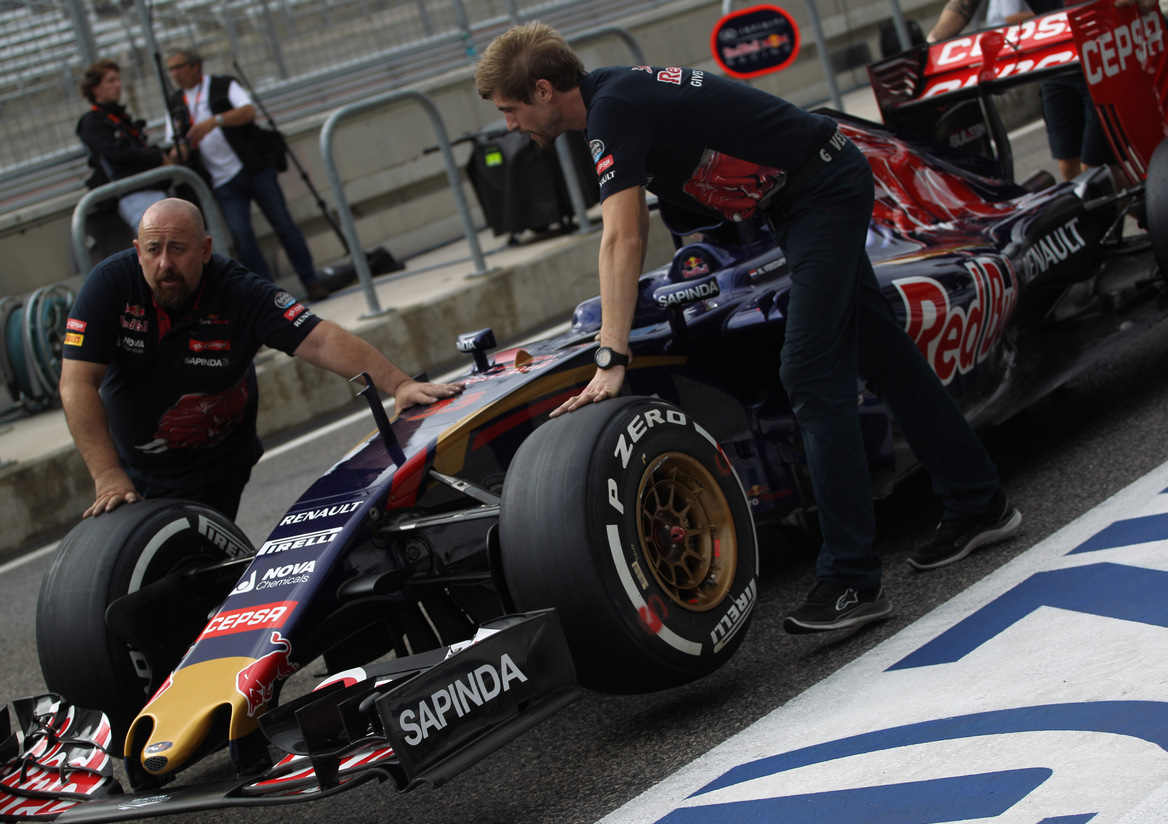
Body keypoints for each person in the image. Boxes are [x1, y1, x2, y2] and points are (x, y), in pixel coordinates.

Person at [474, 22, 1022, 635]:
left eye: (510, 109)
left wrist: (612, 356)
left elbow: (624, 237)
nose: (509, 126)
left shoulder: (614, 109)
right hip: (796, 202)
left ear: (544, 90)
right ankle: (980, 502)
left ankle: (850, 582)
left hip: (823, 188)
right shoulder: (615, 98)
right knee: (884, 357)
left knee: (810, 375)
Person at [59, 198, 461, 521]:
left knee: (198, 567)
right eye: (154, 250)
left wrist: (400, 384)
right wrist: (107, 474)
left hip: (215, 466)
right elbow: (76, 382)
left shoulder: (240, 291)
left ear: (205, 250)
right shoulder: (109, 285)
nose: (165, 263)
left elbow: (319, 340)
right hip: (133, 466)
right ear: (138, 252)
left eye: (178, 250)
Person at [163, 49, 328, 302]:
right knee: (242, 238)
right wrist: (179, 151)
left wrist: (215, 121)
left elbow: (248, 111)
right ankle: (268, 297)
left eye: (180, 67)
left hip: (253, 168)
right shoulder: (175, 104)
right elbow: (174, 144)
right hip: (221, 182)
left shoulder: (222, 85)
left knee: (283, 224)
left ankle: (311, 280)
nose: (176, 74)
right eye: (171, 69)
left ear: (196, 66)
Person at [926, 0, 1121, 182]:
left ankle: (1146, 209)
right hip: (1056, 60)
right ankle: (1135, 209)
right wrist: (930, 44)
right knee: (1069, 162)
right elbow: (964, 5)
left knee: (1095, 167)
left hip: (1103, 51)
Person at [77, 59, 175, 231]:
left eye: (118, 79)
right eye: (111, 81)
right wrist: (157, 156)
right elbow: (119, 153)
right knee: (161, 240)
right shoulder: (93, 122)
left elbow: (137, 147)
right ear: (95, 89)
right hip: (132, 193)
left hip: (151, 186)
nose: (118, 85)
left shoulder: (120, 117)